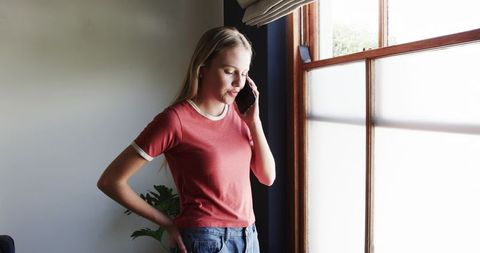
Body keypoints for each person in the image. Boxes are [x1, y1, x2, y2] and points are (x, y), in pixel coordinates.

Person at [97, 26, 275, 253]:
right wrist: (167, 223)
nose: (239, 82)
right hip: (206, 240)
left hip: (249, 236)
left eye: (244, 72)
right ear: (203, 69)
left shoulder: (241, 115)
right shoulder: (175, 120)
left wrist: (254, 122)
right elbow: (110, 181)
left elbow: (267, 177)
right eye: (230, 71)